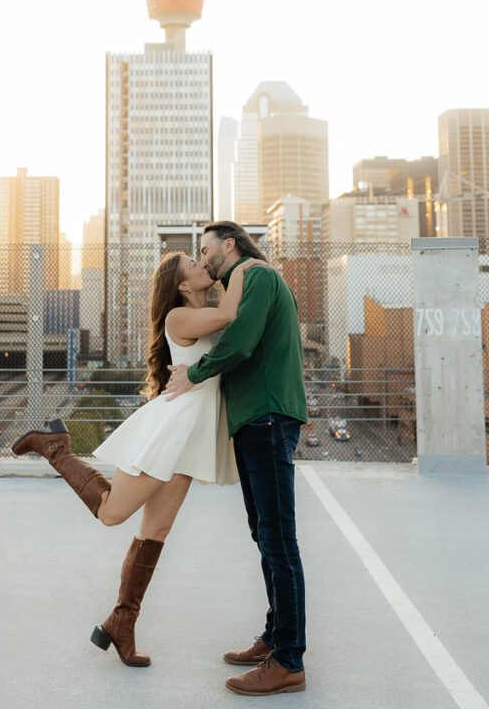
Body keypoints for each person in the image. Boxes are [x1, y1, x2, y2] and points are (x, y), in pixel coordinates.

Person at [11, 249, 268, 668]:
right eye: (193, 263)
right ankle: (55, 446)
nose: (203, 263)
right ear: (183, 285)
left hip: (194, 438)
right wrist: (247, 266)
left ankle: (121, 622)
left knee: (157, 530)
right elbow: (229, 317)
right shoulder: (178, 318)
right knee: (112, 512)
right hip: (172, 431)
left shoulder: (203, 308)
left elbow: (227, 328)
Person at [165, 220, 309, 697]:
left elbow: (242, 340)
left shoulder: (258, 275)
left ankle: (288, 660)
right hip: (254, 419)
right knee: (264, 533)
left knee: (278, 539)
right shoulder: (243, 279)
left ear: (229, 244)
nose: (203, 260)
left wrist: (195, 374)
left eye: (205, 250)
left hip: (267, 415)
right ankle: (275, 637)